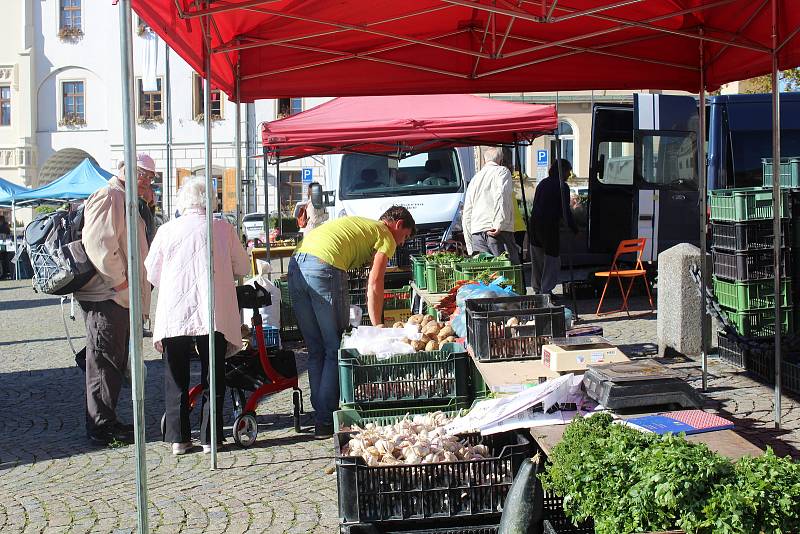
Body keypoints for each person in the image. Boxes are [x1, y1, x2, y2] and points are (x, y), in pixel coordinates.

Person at [288, 206, 415, 438]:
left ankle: (320, 416)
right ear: (397, 225)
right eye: (405, 236)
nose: (403, 243)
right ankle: (326, 420)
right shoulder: (385, 235)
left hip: (297, 264)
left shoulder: (363, 226)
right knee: (334, 347)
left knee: (315, 349)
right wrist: (378, 326)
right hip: (325, 266)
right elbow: (375, 283)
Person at [144, 176, 249, 455]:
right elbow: (242, 266)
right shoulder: (223, 228)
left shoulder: (167, 230)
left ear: (182, 202)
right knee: (212, 375)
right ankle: (210, 437)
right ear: (210, 201)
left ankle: (178, 438)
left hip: (175, 310)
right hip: (212, 310)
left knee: (175, 376)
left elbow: (152, 271)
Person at [74, 153, 153, 446]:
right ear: (124, 171)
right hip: (108, 294)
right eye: (141, 173)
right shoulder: (110, 195)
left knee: (113, 360)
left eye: (149, 175)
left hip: (117, 295)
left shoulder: (126, 197)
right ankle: (100, 426)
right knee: (104, 359)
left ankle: (106, 421)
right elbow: (98, 244)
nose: (145, 180)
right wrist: (120, 284)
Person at [461, 147, 520, 264]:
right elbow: (501, 196)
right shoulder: (502, 171)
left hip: (477, 232)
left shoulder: (475, 178)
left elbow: (467, 211)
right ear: (501, 160)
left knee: (485, 274)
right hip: (496, 230)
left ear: (484, 160)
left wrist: (469, 243)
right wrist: (499, 223)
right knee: (507, 271)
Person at [530, 159, 578, 296]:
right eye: (568, 171)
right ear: (562, 171)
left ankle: (538, 288)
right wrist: (574, 228)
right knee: (552, 260)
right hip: (548, 226)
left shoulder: (542, 183)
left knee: (538, 259)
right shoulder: (562, 186)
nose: (569, 174)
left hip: (535, 224)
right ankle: (546, 290)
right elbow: (565, 211)